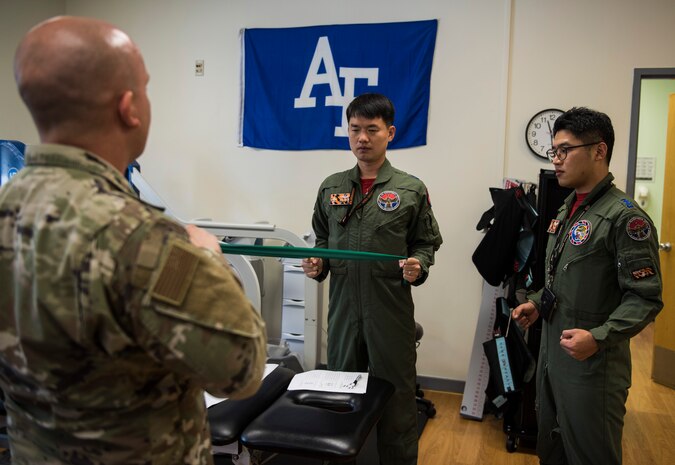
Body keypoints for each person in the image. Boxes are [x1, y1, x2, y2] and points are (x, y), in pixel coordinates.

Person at [0, 16, 267, 465]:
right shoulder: (148, 242)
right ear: (129, 107)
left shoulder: (9, 207)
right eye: (145, 87)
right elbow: (240, 370)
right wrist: (206, 256)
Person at [511, 107, 663, 465]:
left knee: (590, 456)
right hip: (553, 354)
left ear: (599, 150)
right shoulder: (569, 208)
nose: (557, 160)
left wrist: (599, 336)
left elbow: (645, 298)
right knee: (551, 450)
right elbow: (561, 276)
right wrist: (536, 301)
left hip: (592, 368)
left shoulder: (625, 218)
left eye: (565, 150)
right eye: (554, 152)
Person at [301, 93, 443, 465]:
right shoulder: (331, 187)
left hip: (389, 314)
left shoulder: (410, 189)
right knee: (341, 398)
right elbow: (320, 238)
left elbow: (426, 242)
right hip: (344, 312)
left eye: (371, 129)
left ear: (389, 132)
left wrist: (419, 265)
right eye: (355, 130)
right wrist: (319, 263)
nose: (362, 138)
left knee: (396, 403)